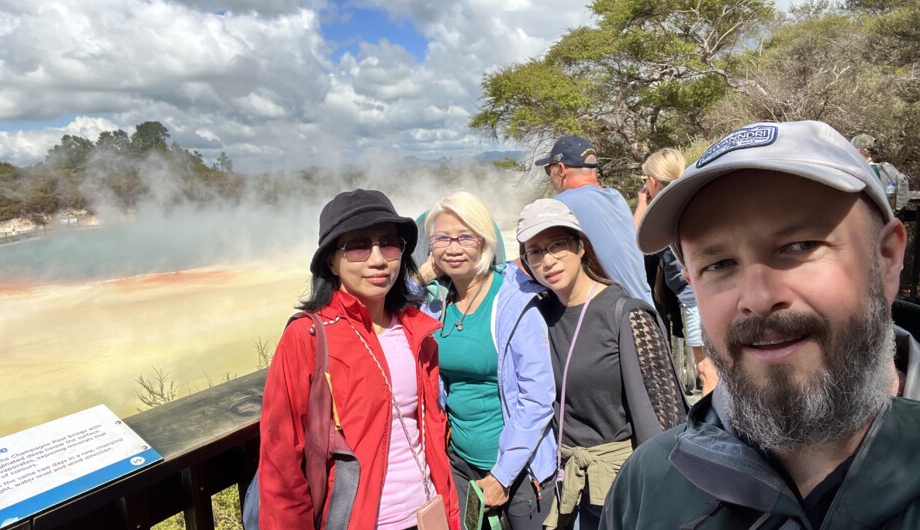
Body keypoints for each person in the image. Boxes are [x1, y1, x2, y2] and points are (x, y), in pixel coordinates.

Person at [602, 120, 920, 529]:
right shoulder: (649, 487)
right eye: (718, 264)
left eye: (800, 246)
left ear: (887, 257)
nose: (757, 298)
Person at [258, 189, 459, 529]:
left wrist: (451, 516)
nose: (378, 259)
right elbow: (281, 461)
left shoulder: (416, 331)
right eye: (358, 246)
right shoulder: (307, 337)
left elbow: (430, 436)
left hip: (427, 513)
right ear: (331, 261)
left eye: (389, 243)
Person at [515, 198, 688, 530]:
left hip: (621, 486)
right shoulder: (537, 315)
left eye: (557, 245)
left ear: (580, 246)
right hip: (564, 484)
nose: (547, 260)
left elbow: (668, 417)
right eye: (534, 252)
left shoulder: (626, 313)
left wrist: (666, 493)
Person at [420, 191, 557, 530]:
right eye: (442, 238)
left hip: (518, 472)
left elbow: (538, 398)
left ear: (484, 241)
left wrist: (502, 475)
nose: (453, 248)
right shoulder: (436, 302)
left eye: (466, 237)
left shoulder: (514, 302)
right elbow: (382, 306)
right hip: (461, 463)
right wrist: (422, 275)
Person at [633, 147, 718, 396]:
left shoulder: (665, 209)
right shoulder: (691, 199)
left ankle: (710, 431)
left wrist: (641, 203)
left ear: (652, 180)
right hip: (708, 293)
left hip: (694, 299)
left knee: (707, 370)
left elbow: (636, 240)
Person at [534, 135, 654, 308]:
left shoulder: (561, 204)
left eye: (548, 170)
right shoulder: (615, 196)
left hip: (619, 319)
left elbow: (537, 254)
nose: (549, 176)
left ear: (561, 169)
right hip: (647, 310)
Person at [851, 133, 911, 214]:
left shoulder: (859, 172)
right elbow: (903, 185)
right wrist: (898, 210)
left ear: (858, 150)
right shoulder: (888, 170)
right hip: (887, 217)